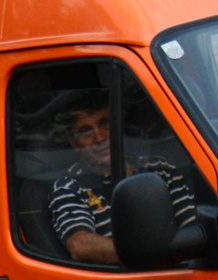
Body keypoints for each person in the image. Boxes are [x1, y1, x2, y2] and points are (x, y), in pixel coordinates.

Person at [45, 90, 197, 264]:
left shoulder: (160, 170)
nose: (99, 137)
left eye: (105, 123)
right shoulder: (68, 186)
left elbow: (191, 228)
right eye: (85, 132)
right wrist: (149, 256)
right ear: (75, 144)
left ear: (118, 126)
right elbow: (80, 245)